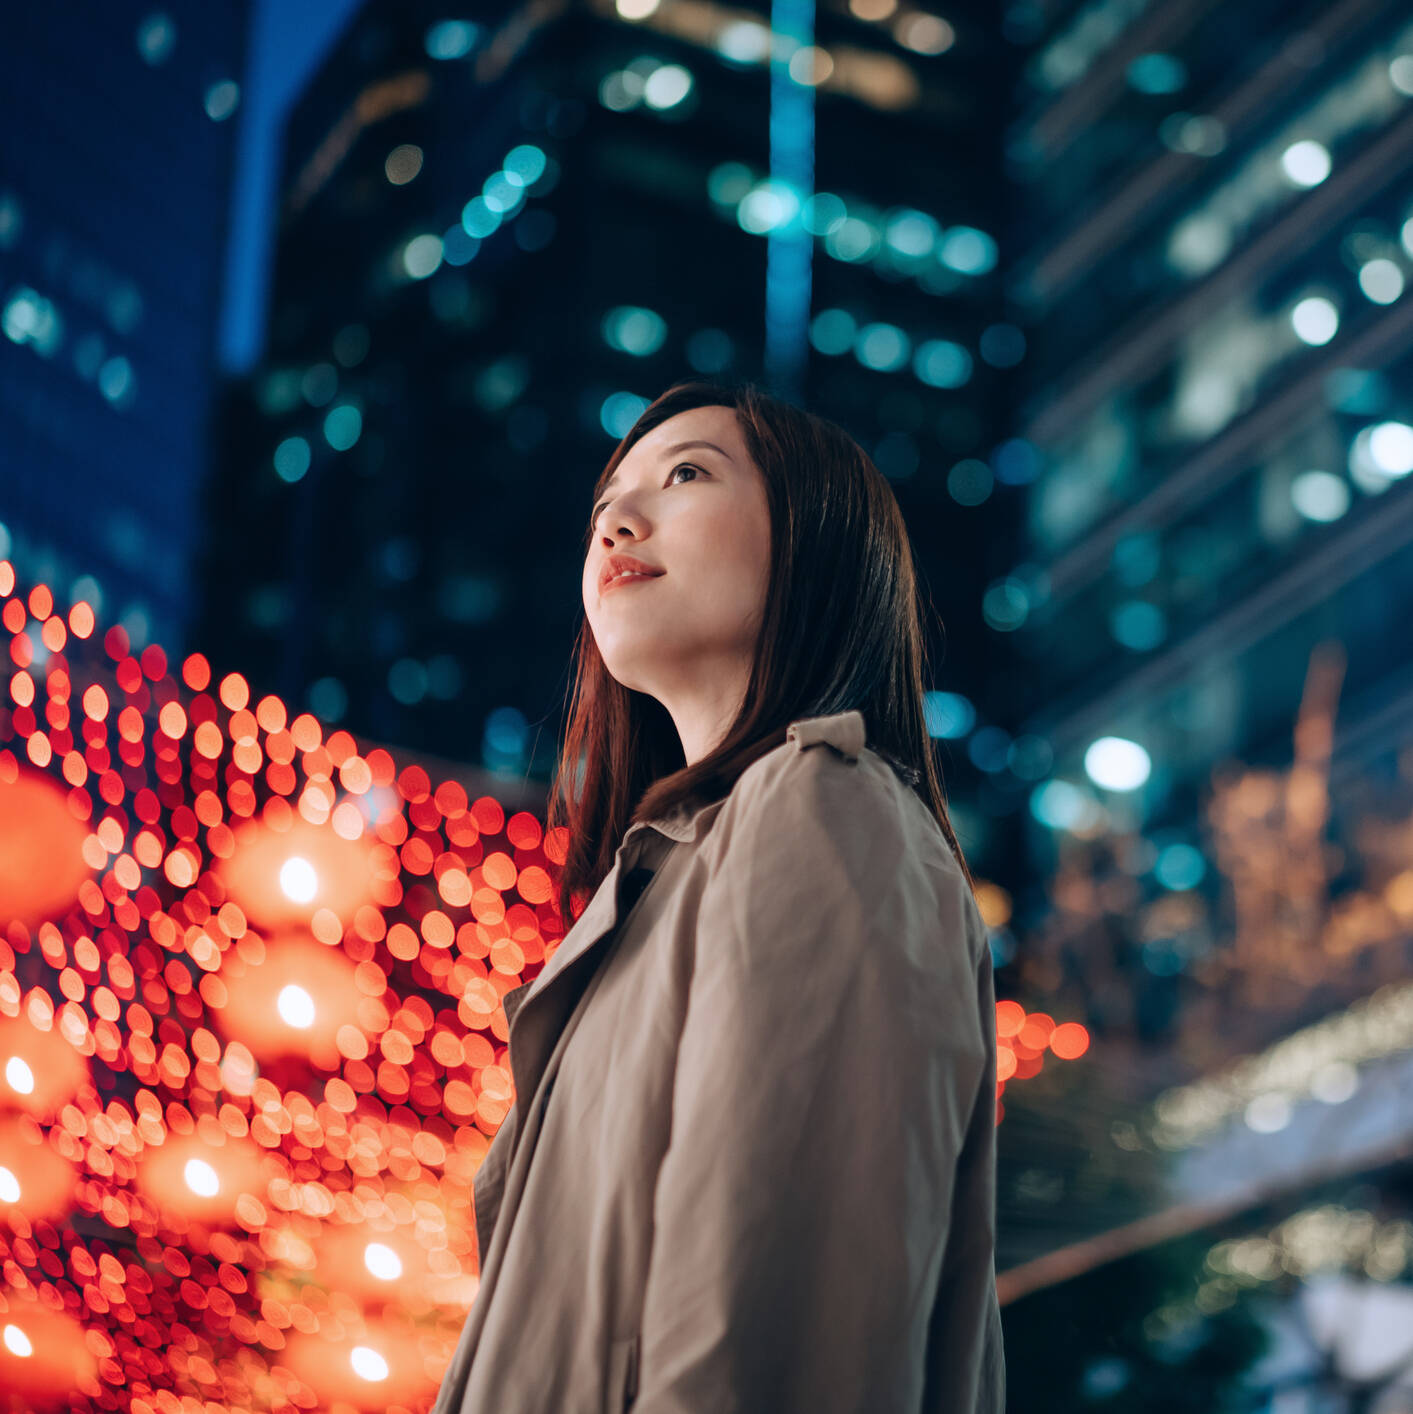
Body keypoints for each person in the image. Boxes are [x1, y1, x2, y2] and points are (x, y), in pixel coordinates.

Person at [431, 379, 1005, 1413]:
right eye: (608, 502)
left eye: (686, 472)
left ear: (820, 541)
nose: (619, 517)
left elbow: (773, 1329)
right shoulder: (656, 891)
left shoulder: (825, 808)